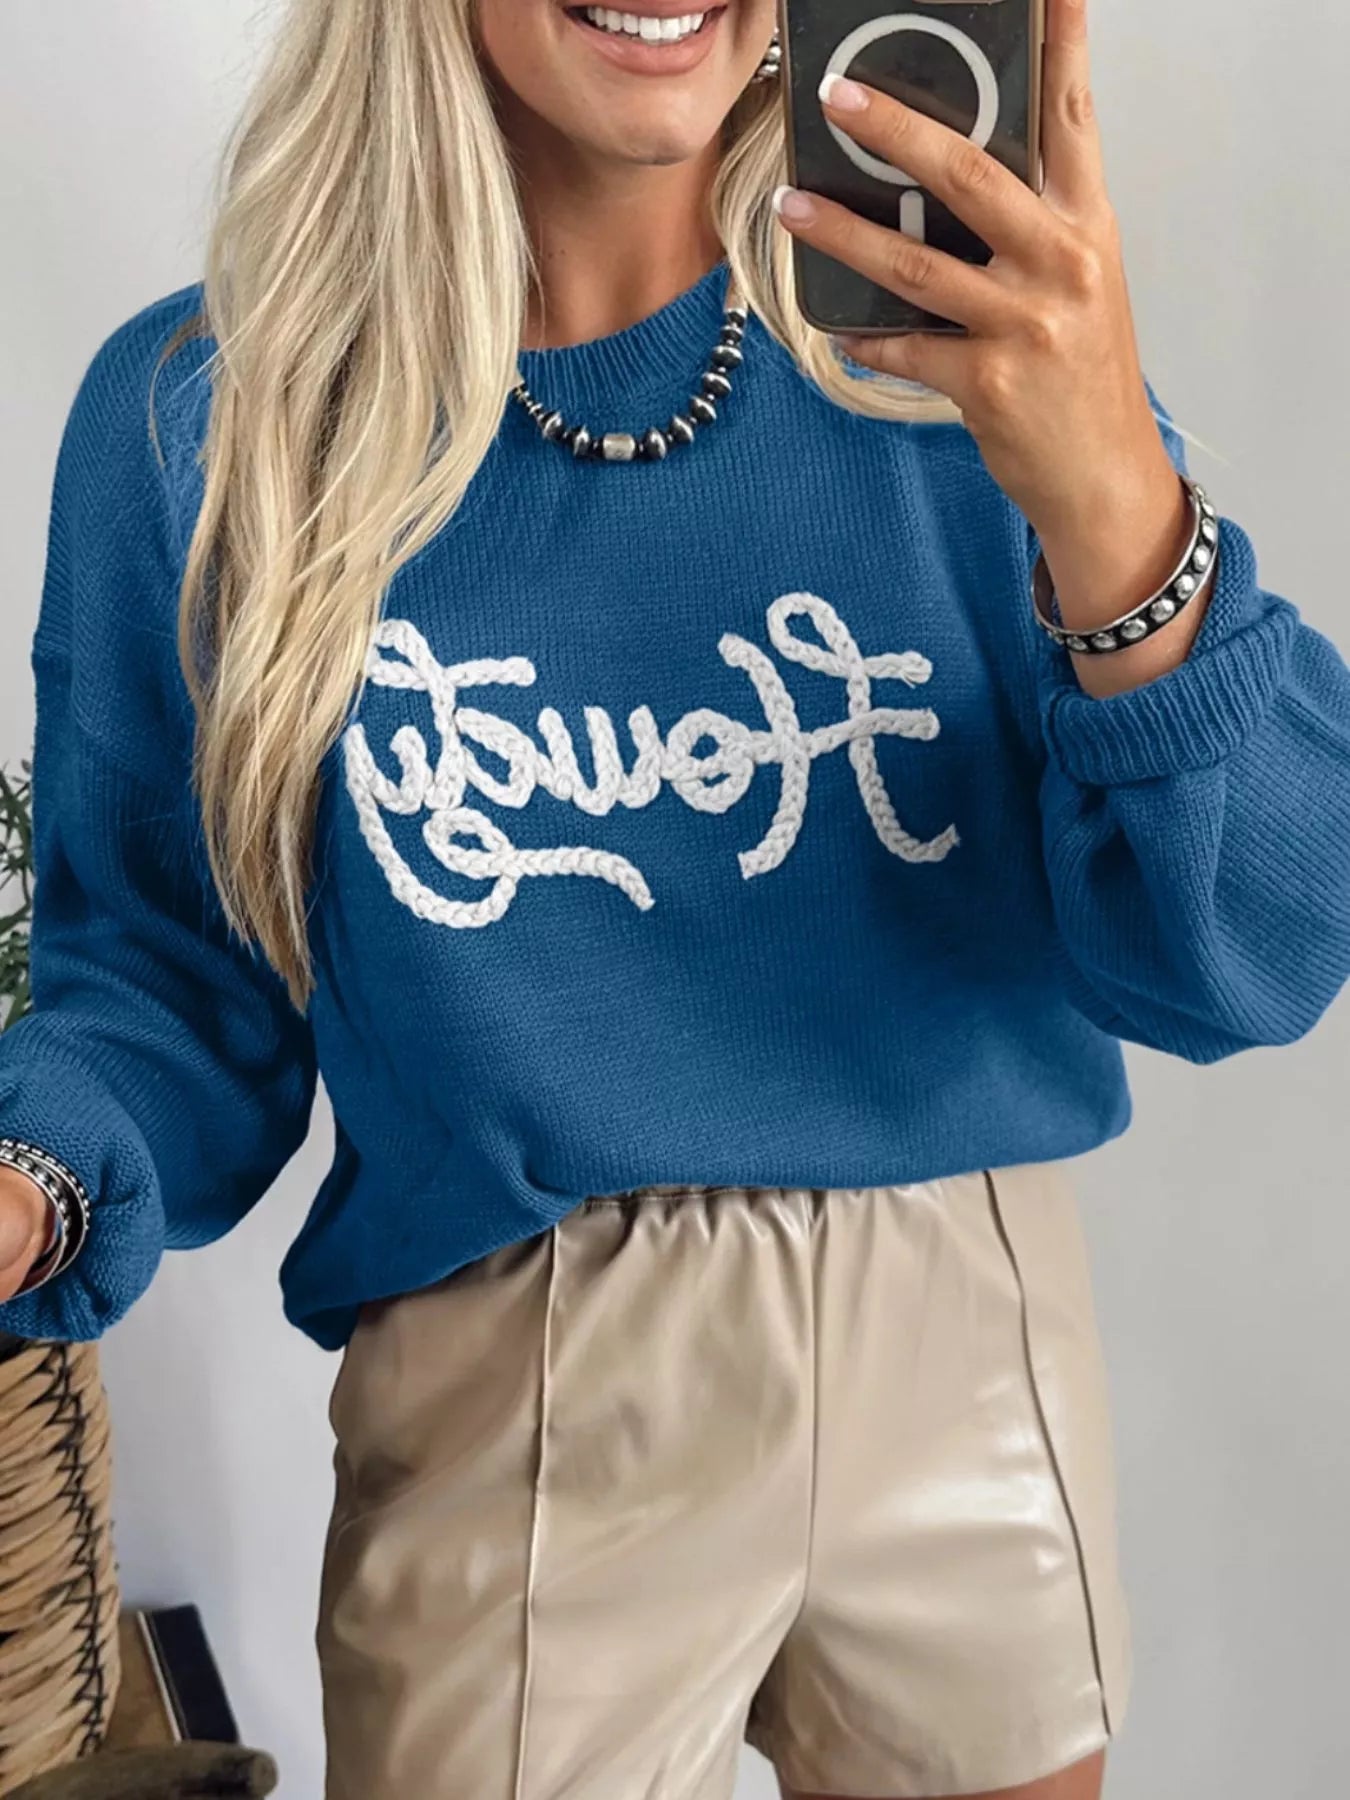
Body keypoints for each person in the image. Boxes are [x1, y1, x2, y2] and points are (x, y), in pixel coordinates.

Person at [2, 1, 1348, 1795]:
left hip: (965, 1320)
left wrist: (1118, 508)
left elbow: (1252, 947)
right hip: (523, 1380)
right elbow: (170, 984)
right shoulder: (212, 418)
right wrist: (33, 1173)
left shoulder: (969, 363)